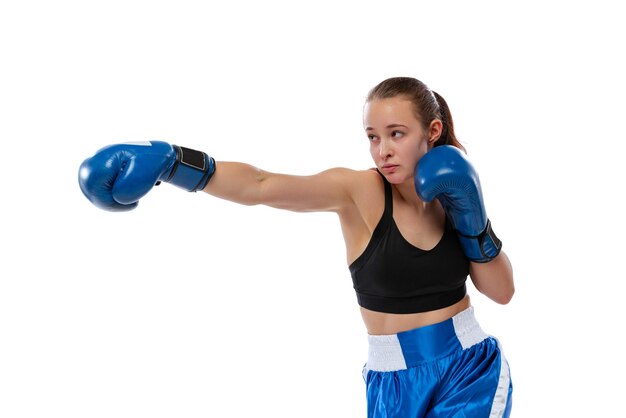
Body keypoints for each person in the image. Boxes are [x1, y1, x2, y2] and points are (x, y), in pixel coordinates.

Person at [78, 76, 514, 417]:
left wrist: (474, 220)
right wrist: (175, 162)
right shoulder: (359, 191)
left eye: (396, 133)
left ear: (432, 131)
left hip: (466, 369)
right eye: (372, 136)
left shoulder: (452, 196)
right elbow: (261, 185)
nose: (382, 150)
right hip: (389, 382)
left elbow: (502, 292)